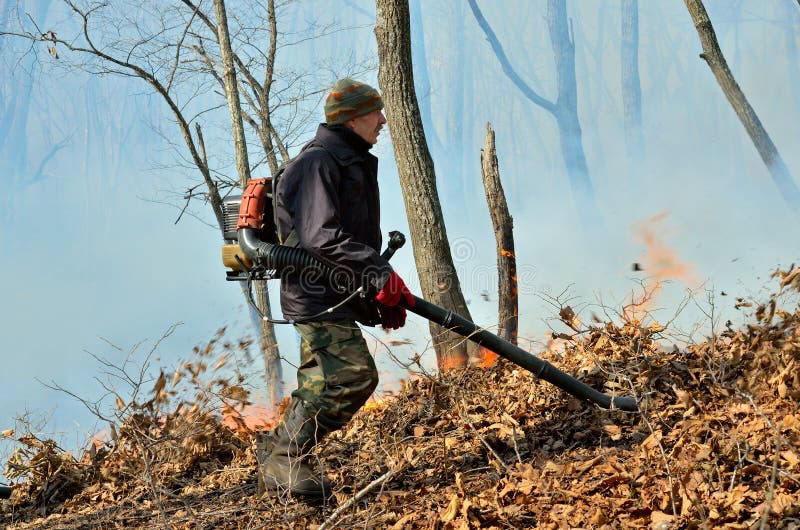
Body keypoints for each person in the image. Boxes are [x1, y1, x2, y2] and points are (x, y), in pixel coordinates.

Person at [256, 78, 415, 497]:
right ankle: (284, 458)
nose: (383, 120)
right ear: (352, 117)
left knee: (318, 385)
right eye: (375, 112)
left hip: (331, 294)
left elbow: (345, 240)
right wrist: (378, 274)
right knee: (353, 377)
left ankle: (276, 459)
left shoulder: (345, 160)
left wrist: (376, 292)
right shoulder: (318, 163)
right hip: (316, 297)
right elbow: (322, 237)